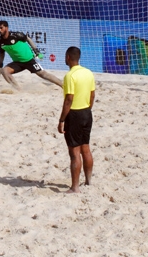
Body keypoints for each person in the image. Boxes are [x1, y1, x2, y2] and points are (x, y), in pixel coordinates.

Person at [58, 46, 96, 193]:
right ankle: (88, 181)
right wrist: (88, 110)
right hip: (87, 112)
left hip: (74, 114)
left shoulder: (69, 76)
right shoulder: (88, 72)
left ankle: (75, 187)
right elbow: (92, 95)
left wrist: (62, 120)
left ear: (68, 57)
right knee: (85, 148)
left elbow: (69, 100)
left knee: (74, 152)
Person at [0, 20, 63, 90]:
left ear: (6, 28)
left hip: (29, 60)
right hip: (17, 63)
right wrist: (0, 65)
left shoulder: (16, 35)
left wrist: (36, 51)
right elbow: (1, 53)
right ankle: (17, 90)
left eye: (1, 28)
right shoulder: (0, 41)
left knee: (43, 74)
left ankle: (62, 85)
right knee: (4, 71)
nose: (0, 30)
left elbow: (28, 39)